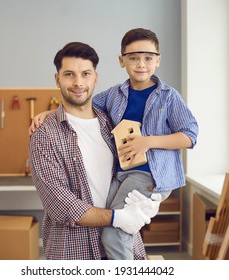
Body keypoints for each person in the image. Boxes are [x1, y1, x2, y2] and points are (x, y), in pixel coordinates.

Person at [31, 28, 198, 260]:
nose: (78, 82)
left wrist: (148, 145)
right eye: (69, 74)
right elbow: (60, 204)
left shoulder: (115, 116)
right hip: (74, 251)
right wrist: (51, 111)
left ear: (95, 78)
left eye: (85, 74)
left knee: (116, 237)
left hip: (143, 193)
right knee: (116, 229)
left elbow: (190, 134)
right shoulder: (49, 132)